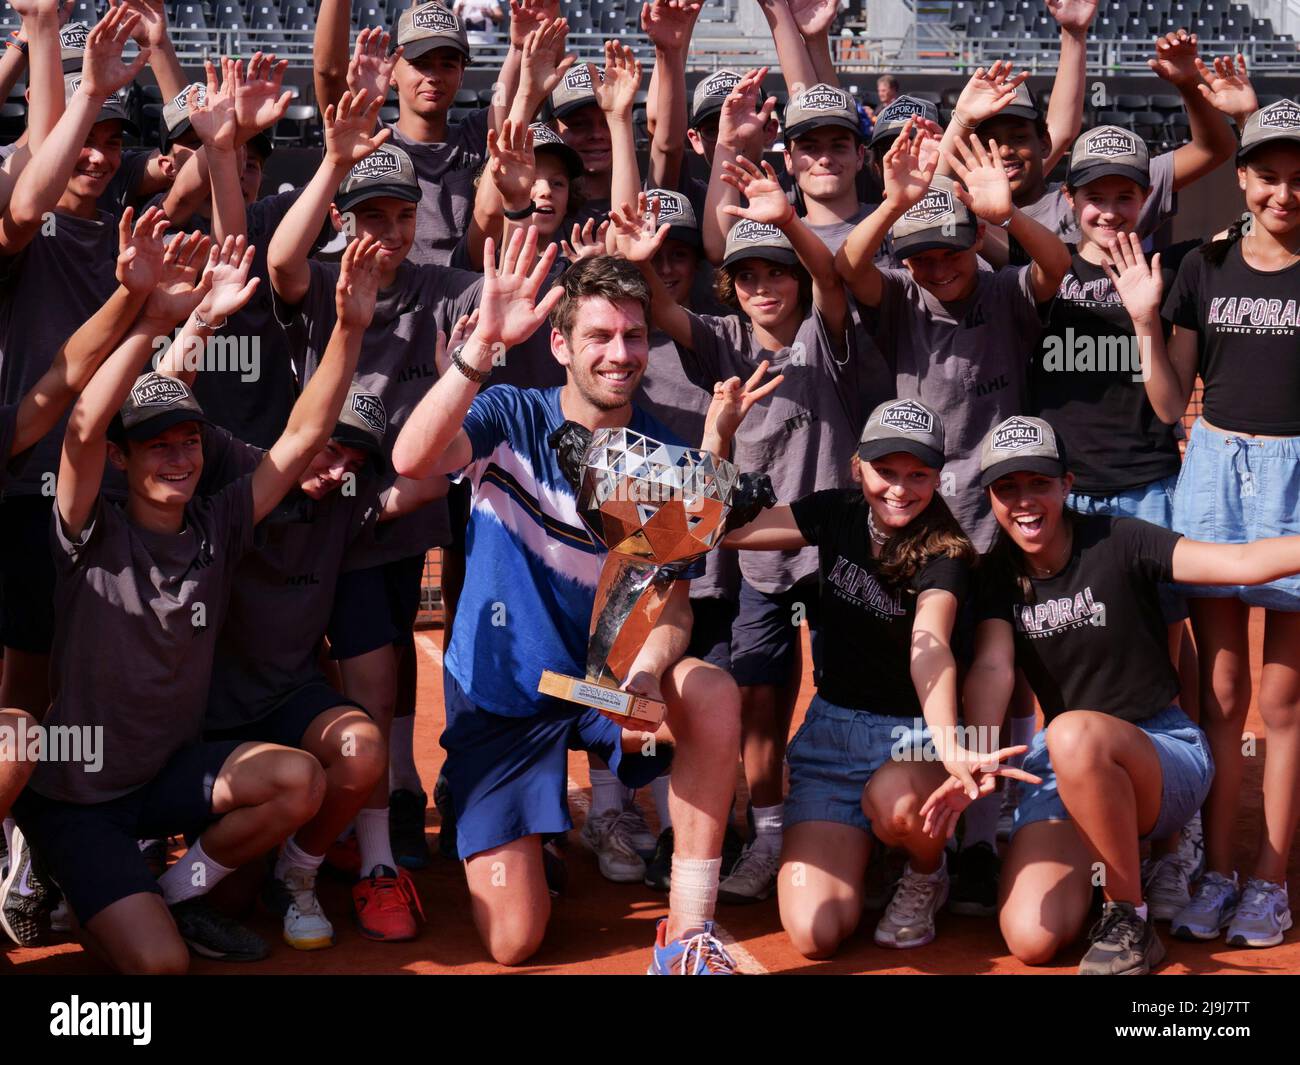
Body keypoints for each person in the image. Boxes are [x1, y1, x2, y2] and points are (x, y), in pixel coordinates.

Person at [7, 228, 377, 973]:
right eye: (157, 446)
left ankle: (175, 892)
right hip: (81, 799)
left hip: (164, 782)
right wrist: (149, 319)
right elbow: (79, 429)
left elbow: (304, 437)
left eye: (189, 441)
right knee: (160, 968)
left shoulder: (223, 522)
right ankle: (60, 869)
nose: (179, 458)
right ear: (125, 458)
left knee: (297, 778)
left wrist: (350, 325)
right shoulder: (87, 531)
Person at [392, 243, 743, 973]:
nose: (621, 353)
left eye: (634, 335)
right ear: (559, 344)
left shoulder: (665, 458)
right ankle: (511, 814)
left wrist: (645, 673)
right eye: (600, 336)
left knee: (708, 693)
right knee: (515, 939)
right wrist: (483, 348)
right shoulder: (508, 415)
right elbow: (413, 460)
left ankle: (685, 937)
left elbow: (670, 608)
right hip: (506, 698)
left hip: (597, 691)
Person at [928, 412, 1300, 972]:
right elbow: (994, 667)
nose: (1024, 501)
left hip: (1163, 753)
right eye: (1007, 487)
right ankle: (1110, 861)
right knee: (1030, 938)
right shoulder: (998, 575)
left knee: (1071, 730)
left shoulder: (1120, 540)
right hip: (1067, 766)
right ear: (990, 496)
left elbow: (1240, 562)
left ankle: (1130, 915)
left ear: (1067, 485)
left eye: (1038, 483)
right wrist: (975, 753)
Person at [613, 160, 861, 903]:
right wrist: (639, 266)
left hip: (831, 548)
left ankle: (853, 825)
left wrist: (788, 221)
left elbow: (833, 280)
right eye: (747, 274)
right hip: (758, 557)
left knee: (849, 684)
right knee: (757, 693)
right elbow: (664, 310)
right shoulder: (722, 337)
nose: (763, 286)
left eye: (776, 273)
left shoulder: (827, 330)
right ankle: (771, 828)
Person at [718, 396, 1026, 955]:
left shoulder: (947, 553)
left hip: (913, 742)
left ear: (938, 476)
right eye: (885, 472)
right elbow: (727, 533)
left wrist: (952, 745)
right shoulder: (835, 512)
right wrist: (718, 443)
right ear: (858, 464)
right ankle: (876, 854)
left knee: (898, 805)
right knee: (816, 933)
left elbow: (928, 648)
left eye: (917, 475)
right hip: (832, 739)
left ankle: (926, 873)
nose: (899, 489)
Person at [269, 90, 481, 894]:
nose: (388, 234)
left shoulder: (441, 285)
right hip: (315, 519)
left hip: (395, 518)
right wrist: (334, 159)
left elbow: (497, 307)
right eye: (372, 216)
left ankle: (385, 835)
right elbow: (281, 265)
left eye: (402, 216)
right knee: (324, 672)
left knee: (386, 665)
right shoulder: (319, 279)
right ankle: (329, 834)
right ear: (346, 219)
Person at [1030, 128, 1204, 922]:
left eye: (1126, 194)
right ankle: (1081, 793)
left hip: (1143, 492)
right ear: (1069, 204)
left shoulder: (1168, 276)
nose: (1109, 209)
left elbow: (1172, 408)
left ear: (1148, 199)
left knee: (1161, 665)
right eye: (1094, 195)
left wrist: (1143, 321)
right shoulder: (1041, 274)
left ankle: (1176, 832)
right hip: (1061, 495)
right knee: (1059, 646)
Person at [1141, 100, 1300, 949]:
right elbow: (1171, 401)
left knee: (1284, 697)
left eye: (1298, 179)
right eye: (1268, 175)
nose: (1284, 192)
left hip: (1299, 479)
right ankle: (1216, 870)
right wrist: (1142, 320)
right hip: (1214, 474)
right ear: (1242, 178)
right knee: (1223, 692)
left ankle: (1270, 880)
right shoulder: (1202, 267)